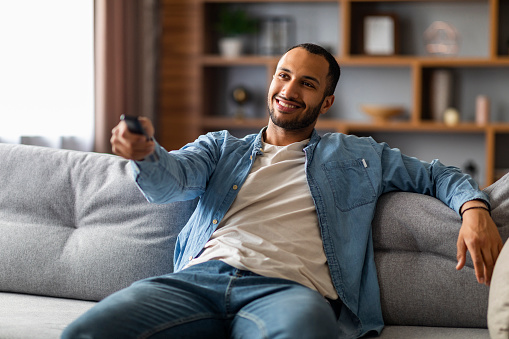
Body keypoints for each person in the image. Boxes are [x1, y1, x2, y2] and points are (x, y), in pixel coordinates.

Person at [63, 43, 503, 339]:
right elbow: (170, 182)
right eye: (283, 76)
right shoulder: (220, 148)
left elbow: (436, 174)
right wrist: (145, 154)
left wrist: (475, 209)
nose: (288, 90)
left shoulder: (359, 155)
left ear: (325, 102)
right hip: (199, 280)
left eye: (307, 84)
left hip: (289, 290)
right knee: (83, 332)